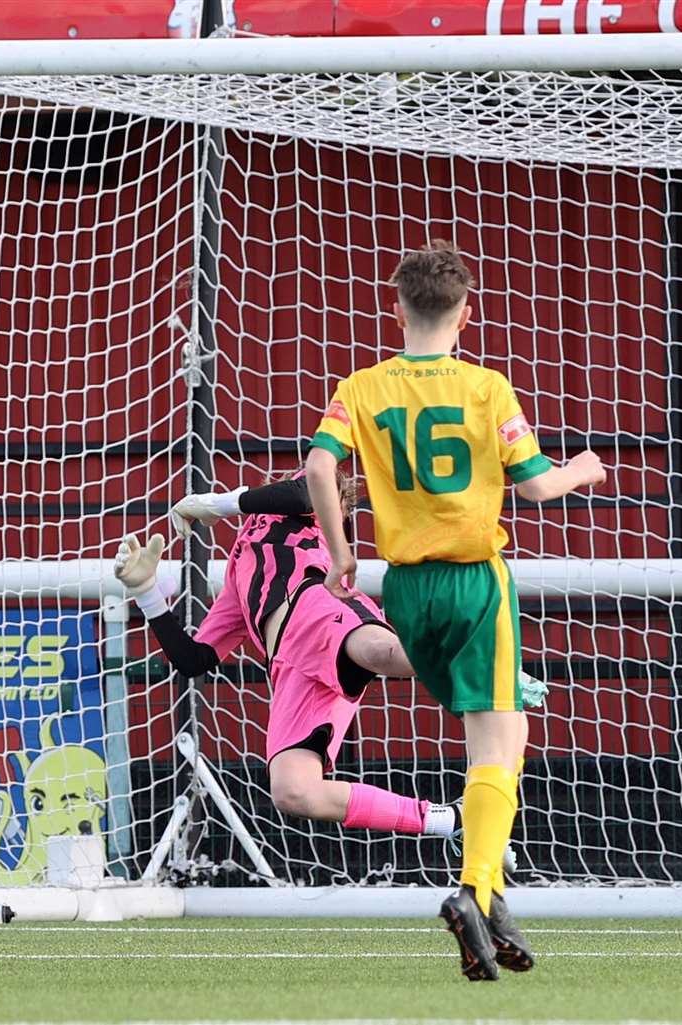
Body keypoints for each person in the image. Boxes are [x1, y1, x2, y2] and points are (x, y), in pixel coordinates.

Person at [307, 241, 606, 980]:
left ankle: (492, 894)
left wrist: (342, 554)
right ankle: (476, 889)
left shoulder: (362, 385)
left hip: (406, 590)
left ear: (396, 305)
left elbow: (318, 466)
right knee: (495, 744)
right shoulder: (486, 387)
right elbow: (535, 486)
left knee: (507, 729)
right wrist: (582, 470)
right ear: (466, 314)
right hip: (474, 582)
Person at [117, 476, 501, 845]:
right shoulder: (240, 573)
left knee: (382, 652)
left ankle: (487, 658)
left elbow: (305, 494)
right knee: (294, 791)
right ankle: (450, 819)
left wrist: (219, 503)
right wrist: (147, 592)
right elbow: (193, 659)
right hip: (291, 669)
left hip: (318, 608)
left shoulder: (307, 509)